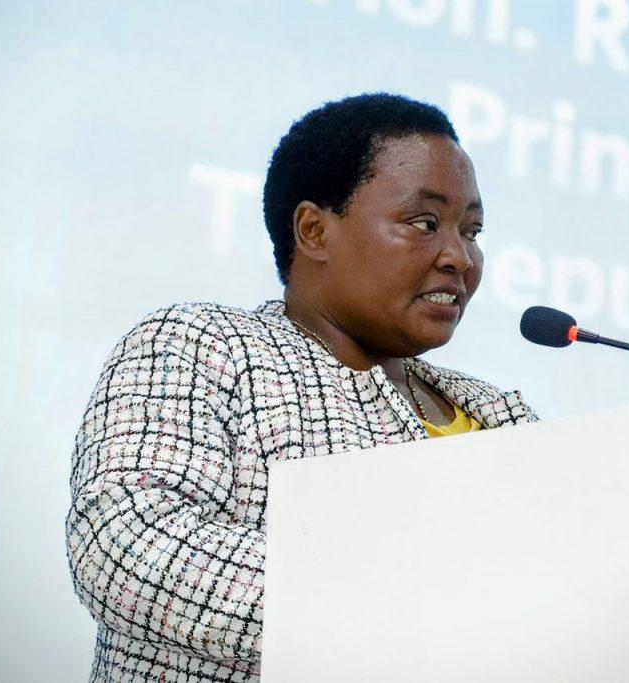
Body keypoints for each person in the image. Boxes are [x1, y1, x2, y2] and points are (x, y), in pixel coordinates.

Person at [65, 93, 538, 682]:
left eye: (473, 231)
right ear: (314, 230)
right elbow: (126, 545)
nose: (460, 257)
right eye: (424, 223)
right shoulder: (204, 347)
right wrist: (400, 612)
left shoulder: (500, 415)